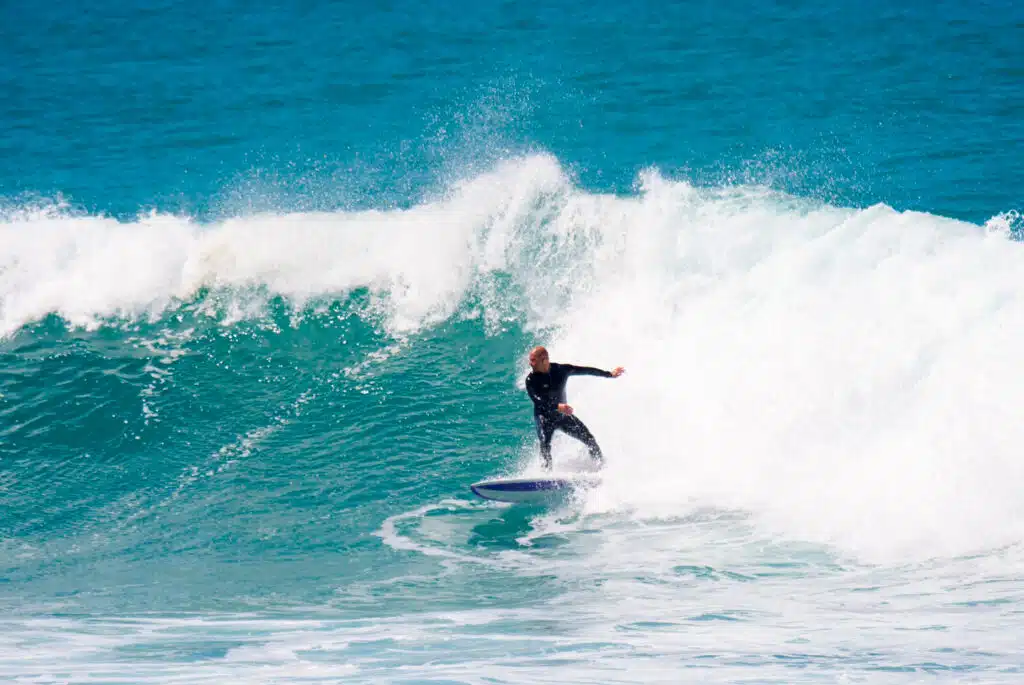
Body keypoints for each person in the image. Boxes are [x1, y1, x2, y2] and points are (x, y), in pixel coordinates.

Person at [524, 346, 625, 470]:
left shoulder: (561, 370)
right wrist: (557, 406)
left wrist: (609, 374)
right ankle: (546, 477)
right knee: (545, 444)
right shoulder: (530, 379)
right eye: (530, 360)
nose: (530, 363)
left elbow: (586, 370)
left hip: (562, 416)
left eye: (533, 360)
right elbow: (538, 400)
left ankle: (601, 468)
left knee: (589, 439)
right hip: (543, 417)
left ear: (545, 360)